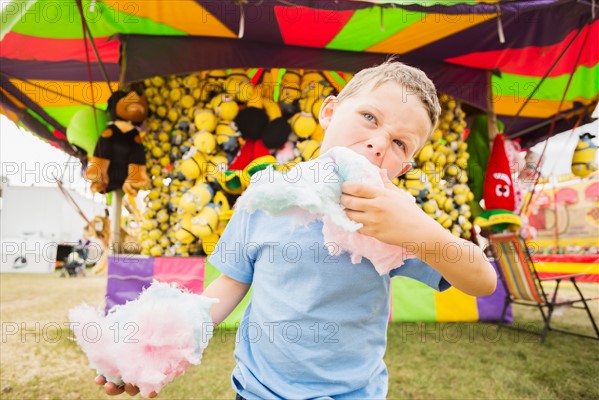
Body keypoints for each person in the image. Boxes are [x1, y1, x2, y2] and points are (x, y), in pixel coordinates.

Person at [97, 60, 497, 398]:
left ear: (404, 168)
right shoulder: (266, 195)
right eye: (369, 117)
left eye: (400, 144)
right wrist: (154, 346)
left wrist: (418, 231)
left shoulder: (393, 219)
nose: (378, 143)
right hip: (259, 389)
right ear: (328, 112)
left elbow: (482, 281)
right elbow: (228, 286)